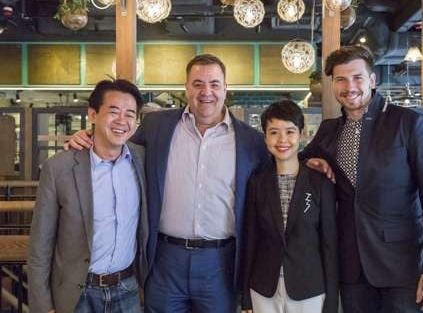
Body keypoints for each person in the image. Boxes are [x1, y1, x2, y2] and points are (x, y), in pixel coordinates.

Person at [67, 54, 269, 313]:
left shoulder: (251, 141)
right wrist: (86, 137)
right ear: (186, 88)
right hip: (165, 259)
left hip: (221, 262)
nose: (206, 92)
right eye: (197, 84)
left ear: (226, 88)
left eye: (215, 84)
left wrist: (314, 163)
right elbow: (116, 145)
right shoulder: (156, 126)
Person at [300, 45, 423, 313]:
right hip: (351, 267)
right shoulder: (329, 130)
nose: (350, 86)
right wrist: (311, 162)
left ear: (372, 80)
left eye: (357, 77)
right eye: (341, 80)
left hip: (403, 266)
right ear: (333, 84)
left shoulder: (408, 123)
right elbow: (296, 161)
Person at [28, 79, 148, 313]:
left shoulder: (143, 160)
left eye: (130, 114)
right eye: (113, 111)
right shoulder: (59, 168)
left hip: (127, 290)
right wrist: (42, 306)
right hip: (76, 294)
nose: (122, 120)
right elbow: (40, 245)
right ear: (93, 114)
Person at [241, 100, 338, 313]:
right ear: (265, 136)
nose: (282, 139)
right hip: (263, 288)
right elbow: (251, 241)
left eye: (290, 131)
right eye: (274, 132)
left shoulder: (319, 183)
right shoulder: (257, 182)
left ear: (301, 135)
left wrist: (331, 302)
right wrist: (245, 297)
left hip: (309, 288)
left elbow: (329, 245)